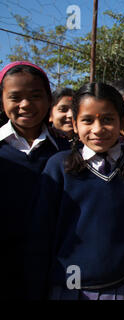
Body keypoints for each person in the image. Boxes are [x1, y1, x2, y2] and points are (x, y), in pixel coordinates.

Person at [27, 82, 124, 300]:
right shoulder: (59, 167)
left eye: (107, 119)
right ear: (75, 124)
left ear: (121, 121)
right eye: (87, 120)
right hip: (70, 289)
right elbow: (41, 234)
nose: (98, 129)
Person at [0, 61, 68, 299]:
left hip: (54, 270)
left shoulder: (67, 150)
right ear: (2, 101)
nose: (26, 104)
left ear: (49, 99)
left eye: (35, 95)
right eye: (15, 97)